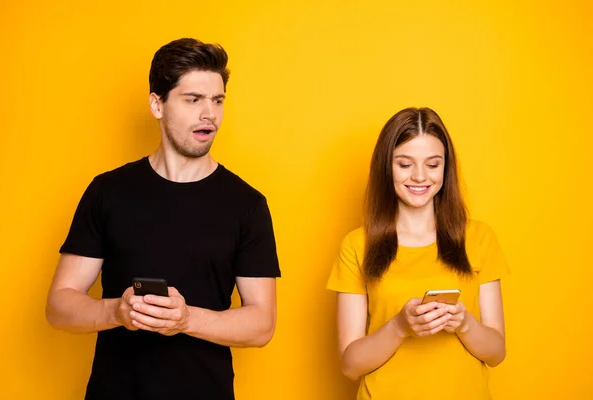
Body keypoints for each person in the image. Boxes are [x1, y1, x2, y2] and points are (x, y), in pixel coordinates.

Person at [45, 38, 281, 400]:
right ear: (157, 104)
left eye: (217, 101)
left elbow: (262, 324)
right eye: (193, 100)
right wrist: (118, 312)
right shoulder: (107, 191)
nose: (210, 114)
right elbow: (60, 305)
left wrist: (186, 320)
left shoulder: (246, 204)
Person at [327, 107, 509, 399]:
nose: (420, 176)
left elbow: (496, 353)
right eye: (405, 164)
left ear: (445, 169)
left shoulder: (479, 238)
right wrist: (400, 326)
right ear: (387, 167)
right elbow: (350, 365)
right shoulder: (356, 245)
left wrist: (464, 323)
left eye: (433, 165)